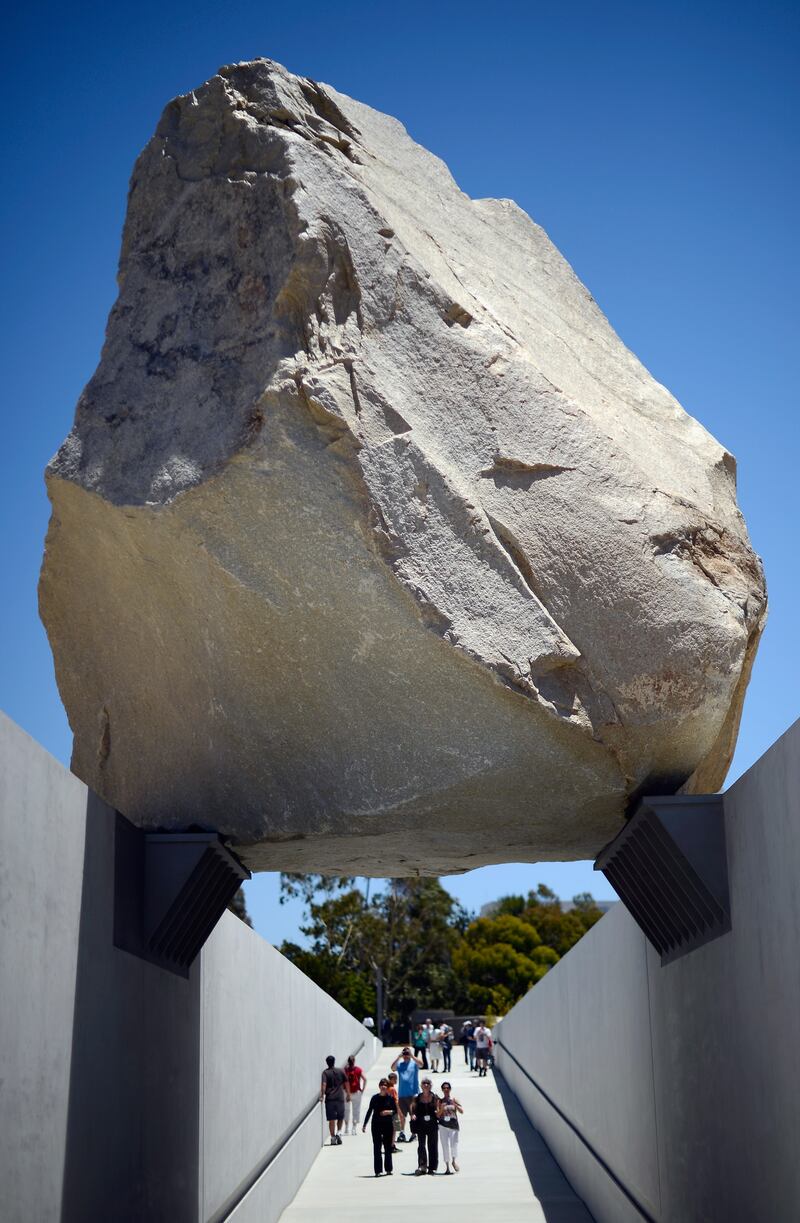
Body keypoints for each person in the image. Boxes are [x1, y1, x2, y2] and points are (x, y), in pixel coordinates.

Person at [362, 1078, 397, 1176]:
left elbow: (395, 1111)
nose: (383, 1086)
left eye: (385, 1085)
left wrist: (388, 1112)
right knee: (377, 1148)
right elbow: (369, 1111)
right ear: (379, 1086)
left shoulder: (390, 1098)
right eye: (382, 1084)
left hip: (387, 1125)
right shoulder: (374, 1098)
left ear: (387, 1087)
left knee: (387, 1147)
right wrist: (365, 1124)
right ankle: (377, 1171)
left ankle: (389, 1169)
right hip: (376, 1125)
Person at [390, 1046, 423, 1142]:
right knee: (401, 1116)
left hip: (413, 1094)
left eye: (407, 1053)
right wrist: (398, 1057)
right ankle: (402, 1133)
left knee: (413, 1114)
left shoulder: (414, 1064)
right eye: (404, 1054)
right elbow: (392, 1068)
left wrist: (412, 1056)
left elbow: (421, 1064)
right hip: (402, 1094)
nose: (406, 1056)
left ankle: (414, 1133)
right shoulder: (400, 1065)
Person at [411, 1076, 439, 1175]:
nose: (426, 1085)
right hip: (421, 1124)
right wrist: (413, 1115)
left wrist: (438, 1112)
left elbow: (439, 1109)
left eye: (428, 1083)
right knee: (421, 1145)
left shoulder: (435, 1097)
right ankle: (422, 1166)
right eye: (424, 1083)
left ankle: (432, 1167)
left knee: (433, 1146)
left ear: (431, 1085)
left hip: (432, 1124)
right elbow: (413, 1109)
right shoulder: (417, 1097)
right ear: (421, 1086)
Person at [320, 1054, 350, 1145]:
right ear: (334, 1062)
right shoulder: (341, 1071)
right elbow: (346, 1082)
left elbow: (324, 1085)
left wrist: (322, 1095)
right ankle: (339, 1132)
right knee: (340, 1117)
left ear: (327, 1063)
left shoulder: (325, 1073)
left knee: (331, 1119)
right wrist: (348, 1094)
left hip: (330, 1099)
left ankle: (333, 1137)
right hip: (340, 1098)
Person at [437, 1080, 464, 1173]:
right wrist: (441, 1108)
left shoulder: (454, 1099)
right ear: (442, 1090)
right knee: (445, 1146)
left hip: (453, 1125)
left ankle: (453, 1161)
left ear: (450, 1089)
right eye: (444, 1088)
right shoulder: (440, 1101)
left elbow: (461, 1111)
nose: (446, 1090)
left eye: (447, 1088)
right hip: (443, 1125)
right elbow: (437, 1115)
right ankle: (447, 1167)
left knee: (454, 1144)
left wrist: (455, 1105)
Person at [344, 1053, 366, 1135]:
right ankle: (354, 1128)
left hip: (346, 1093)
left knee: (346, 1110)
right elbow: (365, 1079)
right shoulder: (358, 1070)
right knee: (356, 1110)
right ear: (354, 1061)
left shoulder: (345, 1070)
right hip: (356, 1092)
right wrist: (362, 1090)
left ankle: (346, 1128)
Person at [387, 1072, 402, 1152]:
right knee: (394, 1129)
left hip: (388, 1111)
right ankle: (391, 1145)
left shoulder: (387, 1088)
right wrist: (399, 1112)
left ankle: (390, 1144)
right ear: (391, 1080)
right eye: (395, 1079)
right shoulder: (392, 1089)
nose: (396, 1081)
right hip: (393, 1111)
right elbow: (396, 1101)